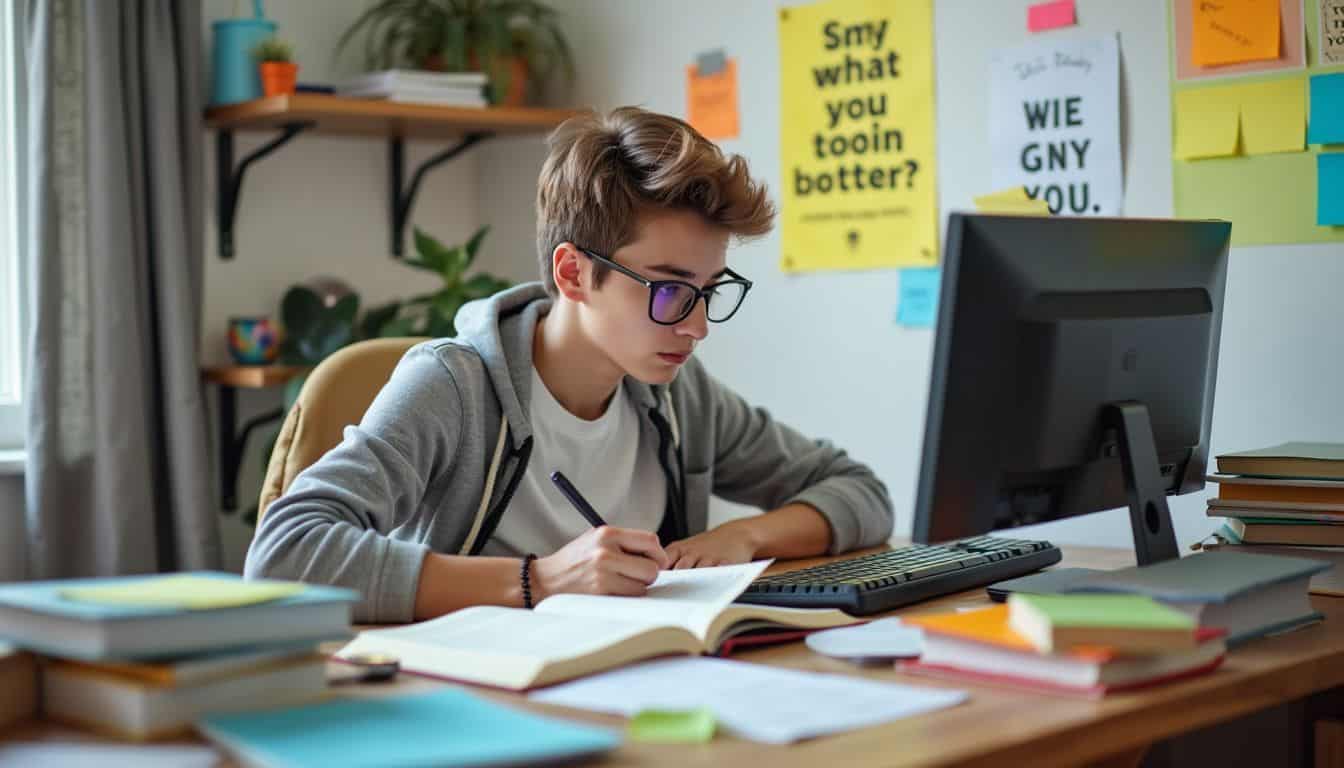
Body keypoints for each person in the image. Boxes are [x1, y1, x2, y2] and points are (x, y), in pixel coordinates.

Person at [245, 107, 893, 623]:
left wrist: (747, 536)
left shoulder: (679, 394)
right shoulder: (453, 386)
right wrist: (541, 580)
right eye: (669, 290)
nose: (695, 327)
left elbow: (860, 491)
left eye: (708, 292)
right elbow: (283, 555)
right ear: (574, 273)